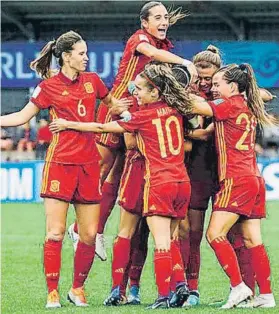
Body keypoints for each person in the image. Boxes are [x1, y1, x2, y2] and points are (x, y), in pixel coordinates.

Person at [0, 30, 130, 309]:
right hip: (59, 164)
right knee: (55, 232)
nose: (86, 58)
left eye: (86, 53)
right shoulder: (47, 87)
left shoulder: (93, 82)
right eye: (81, 53)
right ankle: (52, 293)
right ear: (66, 56)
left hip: (89, 165)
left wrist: (136, 111)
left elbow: (113, 106)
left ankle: (77, 289)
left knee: (89, 234)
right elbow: (23, 116)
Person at [50, 62, 194, 309]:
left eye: (138, 89)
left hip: (154, 178)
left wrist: (69, 124)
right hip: (182, 181)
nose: (134, 92)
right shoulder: (176, 110)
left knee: (140, 236)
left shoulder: (144, 115)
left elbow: (106, 130)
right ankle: (179, 284)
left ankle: (147, 294)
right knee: (171, 238)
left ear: (155, 92)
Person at [66, 1, 196, 262]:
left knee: (119, 174)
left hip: (138, 116)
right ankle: (80, 229)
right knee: (102, 171)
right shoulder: (140, 40)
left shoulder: (163, 47)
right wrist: (185, 62)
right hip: (116, 107)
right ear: (144, 23)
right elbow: (150, 52)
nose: (163, 21)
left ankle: (94, 230)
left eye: (166, 17)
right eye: (157, 17)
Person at [187, 63, 277, 309]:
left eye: (218, 84)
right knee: (252, 239)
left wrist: (172, 86)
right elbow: (264, 95)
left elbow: (194, 106)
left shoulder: (229, 104)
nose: (213, 88)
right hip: (253, 178)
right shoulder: (246, 103)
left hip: (235, 180)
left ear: (234, 87)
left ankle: (238, 286)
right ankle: (266, 295)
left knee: (214, 234)